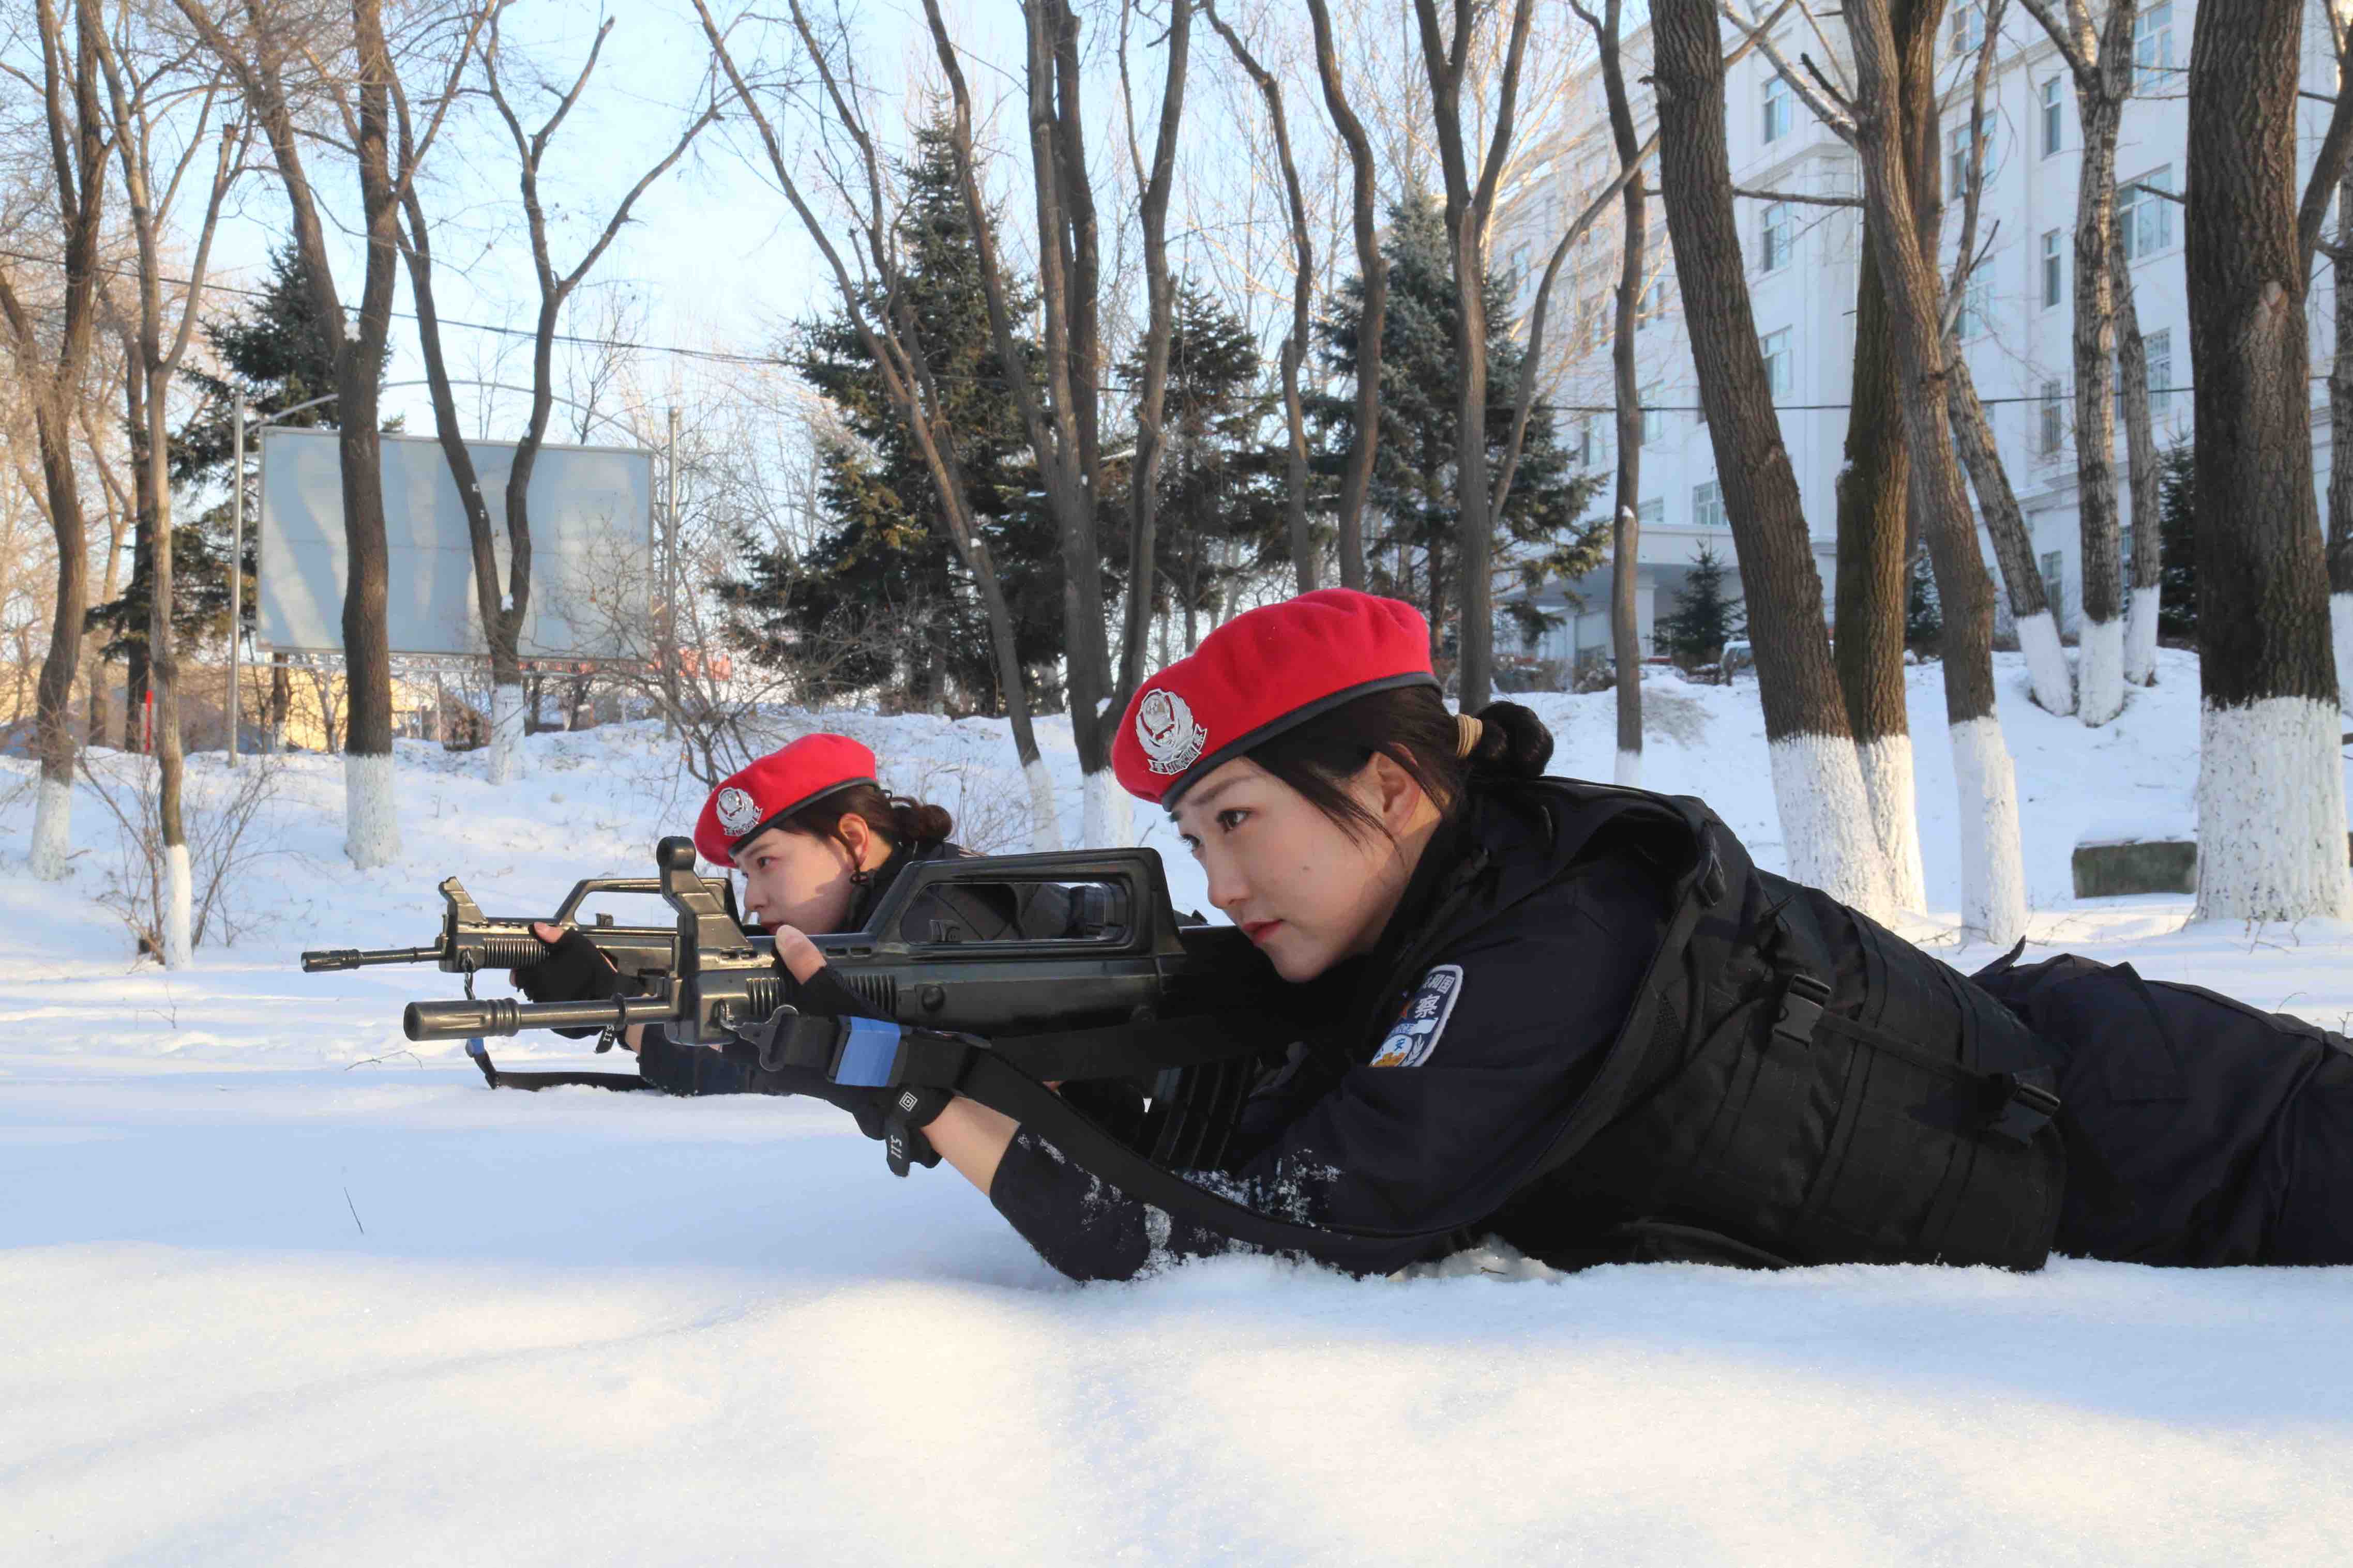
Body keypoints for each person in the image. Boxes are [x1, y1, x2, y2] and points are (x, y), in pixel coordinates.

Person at [627, 592, 2353, 1282]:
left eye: (1238, 824)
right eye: (1196, 839)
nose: (1220, 882)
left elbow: (1275, 1230)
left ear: (1386, 785)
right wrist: (900, 1035)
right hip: (2055, 1092)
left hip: (2160, 1126)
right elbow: (1201, 1098)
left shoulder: (1547, 939)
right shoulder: (1428, 919)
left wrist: (920, 1078)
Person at [514, 732, 1060, 1095]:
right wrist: (624, 990)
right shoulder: (899, 902)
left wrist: (625, 1012)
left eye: (766, 863)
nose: (752, 898)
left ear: (850, 838)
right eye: (746, 874)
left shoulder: (935, 926)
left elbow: (778, 1079)